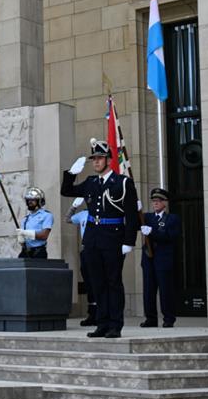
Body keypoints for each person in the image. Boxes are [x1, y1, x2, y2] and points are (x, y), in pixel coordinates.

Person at [62, 139, 138, 339]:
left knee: (113, 282)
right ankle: (102, 323)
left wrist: (129, 241)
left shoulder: (122, 182)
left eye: (99, 158)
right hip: (93, 239)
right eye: (94, 159)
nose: (95, 162)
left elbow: (130, 214)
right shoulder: (90, 182)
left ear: (108, 160)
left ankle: (115, 324)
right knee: (97, 283)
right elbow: (66, 191)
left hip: (113, 238)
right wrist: (71, 174)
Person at [140, 188, 181, 328]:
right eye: (154, 201)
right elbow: (133, 220)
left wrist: (153, 232)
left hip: (163, 258)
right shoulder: (147, 217)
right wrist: (134, 208)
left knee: (165, 290)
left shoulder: (172, 219)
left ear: (165, 203)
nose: (155, 203)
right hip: (148, 258)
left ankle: (169, 318)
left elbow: (171, 236)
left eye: (159, 201)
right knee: (148, 290)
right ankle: (150, 318)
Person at [65, 197, 96, 326]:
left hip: (97, 248)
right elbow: (67, 219)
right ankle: (92, 313)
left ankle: (101, 313)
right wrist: (73, 206)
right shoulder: (83, 214)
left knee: (98, 282)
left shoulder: (102, 213)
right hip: (86, 249)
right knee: (89, 281)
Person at [15, 187, 53, 258]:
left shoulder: (46, 215)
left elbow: (44, 236)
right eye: (28, 200)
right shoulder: (25, 219)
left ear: (39, 201)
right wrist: (21, 240)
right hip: (25, 251)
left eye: (33, 200)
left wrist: (26, 233)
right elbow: (23, 238)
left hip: (38, 252)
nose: (30, 202)